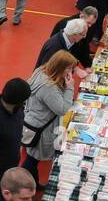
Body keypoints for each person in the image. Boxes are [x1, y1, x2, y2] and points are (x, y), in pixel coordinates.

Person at [21, 51, 77, 186]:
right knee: (32, 159)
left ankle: (33, 183)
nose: (71, 71)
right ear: (60, 67)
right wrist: (70, 88)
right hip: (42, 128)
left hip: (34, 121)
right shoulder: (48, 87)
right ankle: (25, 185)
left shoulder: (41, 71)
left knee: (32, 157)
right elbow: (62, 109)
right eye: (69, 68)